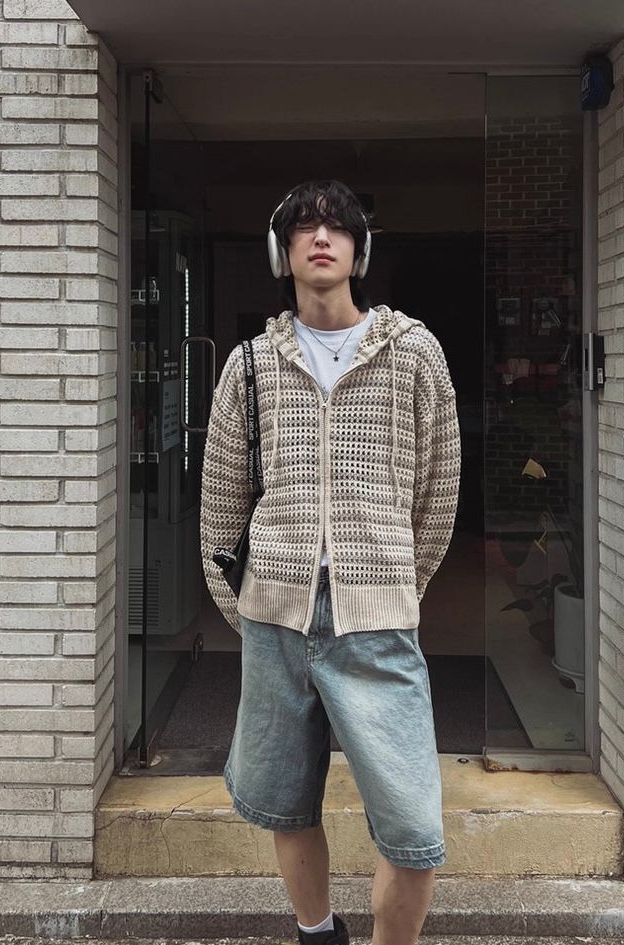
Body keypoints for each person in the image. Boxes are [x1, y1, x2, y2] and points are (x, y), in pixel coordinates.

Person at [199, 179, 461, 945]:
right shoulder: (249, 364)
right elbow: (220, 504)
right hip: (273, 620)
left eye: (337, 227)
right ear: (280, 252)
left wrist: (393, 587)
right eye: (304, 227)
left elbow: (438, 491)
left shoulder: (412, 354)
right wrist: (250, 609)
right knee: (285, 804)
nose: (321, 237)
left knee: (413, 833)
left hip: (376, 625)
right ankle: (316, 932)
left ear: (359, 250)